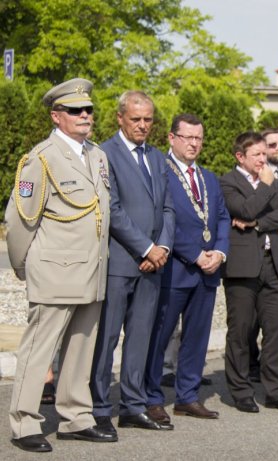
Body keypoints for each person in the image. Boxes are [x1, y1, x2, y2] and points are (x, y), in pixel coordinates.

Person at [6, 78, 114, 452]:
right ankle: (24, 423)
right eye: (74, 111)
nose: (84, 116)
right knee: (39, 351)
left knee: (81, 348)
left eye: (88, 110)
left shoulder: (97, 156)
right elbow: (20, 221)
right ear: (57, 116)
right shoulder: (41, 158)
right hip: (54, 270)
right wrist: (25, 268)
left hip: (90, 270)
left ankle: (75, 418)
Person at [90, 90, 175, 433]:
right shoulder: (103, 155)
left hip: (153, 266)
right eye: (136, 119)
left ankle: (132, 405)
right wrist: (146, 248)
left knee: (139, 338)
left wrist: (163, 248)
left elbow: (168, 206)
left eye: (148, 120)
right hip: (119, 263)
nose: (143, 126)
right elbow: (112, 209)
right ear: (120, 118)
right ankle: (97, 407)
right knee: (106, 339)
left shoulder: (156, 158)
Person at [144, 114, 230, 421]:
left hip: (207, 273)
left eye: (198, 138)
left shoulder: (207, 177)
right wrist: (195, 254)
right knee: (160, 335)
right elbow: (164, 221)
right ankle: (151, 396)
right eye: (188, 137)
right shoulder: (160, 172)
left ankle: (188, 395)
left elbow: (222, 217)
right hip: (175, 270)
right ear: (171, 138)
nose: (194, 144)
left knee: (197, 336)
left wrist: (219, 251)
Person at [220, 132, 278, 413]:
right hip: (242, 267)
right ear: (240, 157)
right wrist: (264, 191)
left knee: (276, 331)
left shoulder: (271, 181)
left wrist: (255, 223)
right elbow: (243, 208)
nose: (262, 159)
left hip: (272, 264)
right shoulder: (228, 182)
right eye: (256, 154)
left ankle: (276, 391)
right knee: (241, 331)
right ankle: (241, 390)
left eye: (263, 153)